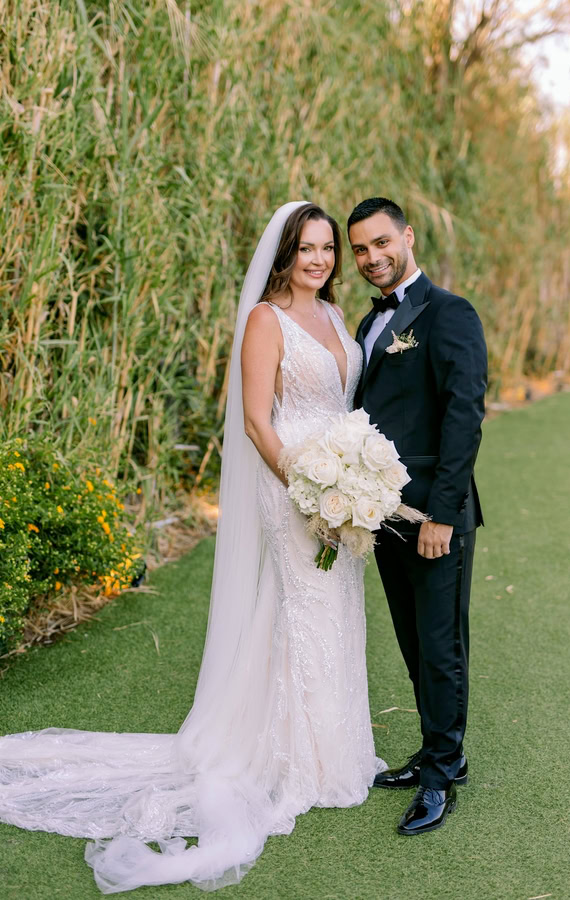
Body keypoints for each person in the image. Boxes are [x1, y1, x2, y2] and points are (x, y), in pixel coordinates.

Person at [0, 202, 385, 893]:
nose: (320, 260)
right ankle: (297, 762)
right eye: (307, 248)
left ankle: (335, 752)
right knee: (304, 609)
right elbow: (257, 421)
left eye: (328, 249)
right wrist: (307, 490)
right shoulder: (265, 320)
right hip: (294, 485)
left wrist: (354, 483)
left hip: (342, 487)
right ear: (286, 254)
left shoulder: (334, 316)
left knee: (335, 609)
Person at [348, 197, 487, 835]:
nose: (372, 257)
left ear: (407, 236)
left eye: (381, 242)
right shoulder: (367, 323)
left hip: (433, 513)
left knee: (440, 645)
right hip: (383, 513)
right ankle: (437, 751)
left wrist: (442, 515)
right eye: (360, 249)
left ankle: (441, 776)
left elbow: (464, 415)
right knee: (412, 640)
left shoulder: (449, 313)